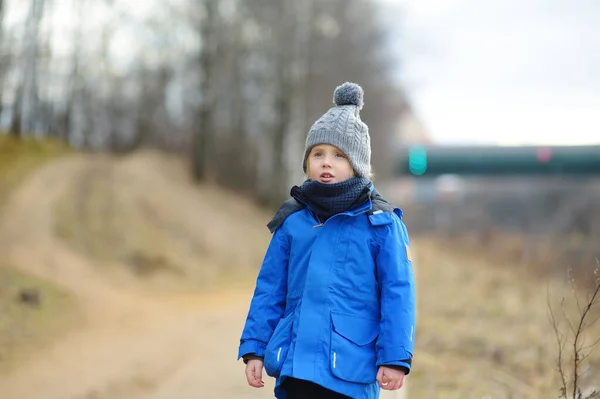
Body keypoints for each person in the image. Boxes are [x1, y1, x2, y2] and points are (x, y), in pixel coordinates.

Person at [238, 82, 416, 399]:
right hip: (295, 366)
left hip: (350, 368)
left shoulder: (382, 223)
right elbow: (270, 287)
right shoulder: (293, 221)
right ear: (307, 161)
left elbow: (397, 292)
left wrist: (395, 357)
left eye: (338, 155)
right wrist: (255, 347)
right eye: (318, 153)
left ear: (357, 165)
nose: (326, 162)